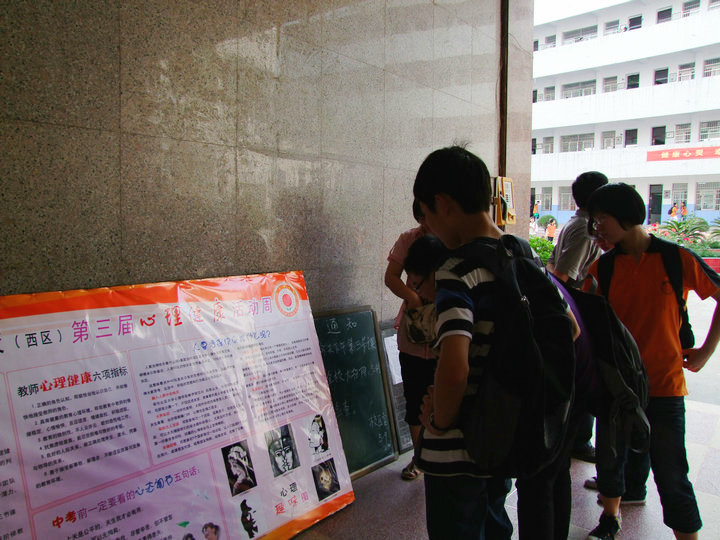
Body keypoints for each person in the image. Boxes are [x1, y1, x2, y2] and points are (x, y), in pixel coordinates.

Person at [584, 183, 720, 540]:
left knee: (672, 473)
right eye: (594, 220)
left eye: (602, 219)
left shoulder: (677, 259)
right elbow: (586, 324)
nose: (597, 228)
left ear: (627, 215)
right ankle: (610, 519)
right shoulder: (602, 269)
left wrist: (706, 351)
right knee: (610, 461)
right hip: (617, 386)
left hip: (665, 385)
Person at [412, 146, 514, 539]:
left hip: (457, 448)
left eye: (427, 215)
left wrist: (438, 422)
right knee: (494, 524)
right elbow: (569, 330)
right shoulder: (520, 255)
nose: (428, 226)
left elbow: (455, 367)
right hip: (502, 436)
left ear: (442, 203)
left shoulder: (457, 270)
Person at [547, 171, 608, 463]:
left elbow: (553, 266)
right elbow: (563, 274)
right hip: (577, 310)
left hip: (572, 308)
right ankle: (579, 441)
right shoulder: (585, 229)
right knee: (583, 375)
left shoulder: (575, 223)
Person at [384, 200, 437, 481]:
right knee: (414, 400)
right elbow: (391, 277)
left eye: (429, 215)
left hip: (443, 336)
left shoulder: (453, 240)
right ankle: (420, 457)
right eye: (421, 217)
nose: (425, 223)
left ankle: (440, 459)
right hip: (413, 333)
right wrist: (413, 298)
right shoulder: (408, 239)